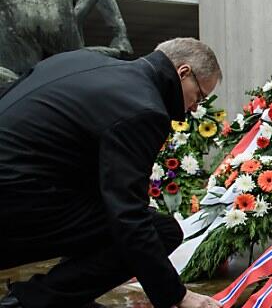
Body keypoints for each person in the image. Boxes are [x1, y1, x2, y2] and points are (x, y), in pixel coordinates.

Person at [0, 38, 222, 308]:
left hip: (21, 190)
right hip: (14, 206)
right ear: (183, 72)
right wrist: (178, 295)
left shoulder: (81, 60)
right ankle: (29, 302)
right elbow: (128, 214)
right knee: (160, 231)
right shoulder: (143, 108)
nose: (196, 107)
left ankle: (60, 298)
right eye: (199, 95)